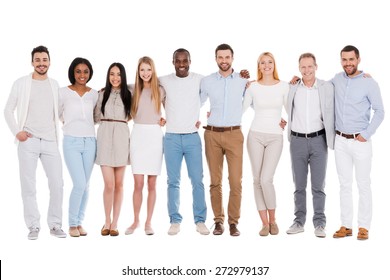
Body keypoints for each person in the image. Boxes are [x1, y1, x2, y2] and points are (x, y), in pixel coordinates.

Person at [4, 45, 66, 240]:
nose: (41, 63)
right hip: (28, 141)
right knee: (28, 185)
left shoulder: (55, 85)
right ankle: (33, 226)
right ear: (32, 62)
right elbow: (7, 110)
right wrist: (17, 132)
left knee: (57, 183)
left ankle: (55, 224)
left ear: (49, 61)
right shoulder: (21, 83)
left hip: (50, 141)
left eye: (44, 59)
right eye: (37, 60)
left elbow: (62, 113)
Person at [332, 45, 384, 240]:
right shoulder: (336, 79)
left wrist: (366, 133)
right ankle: (346, 225)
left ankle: (364, 226)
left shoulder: (369, 83)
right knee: (344, 184)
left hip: (361, 141)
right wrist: (297, 81)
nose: (348, 64)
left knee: (363, 184)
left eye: (351, 60)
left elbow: (380, 111)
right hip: (340, 141)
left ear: (358, 60)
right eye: (344, 60)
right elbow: (319, 89)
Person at [159, 48, 209, 236]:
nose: (181, 64)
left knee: (197, 180)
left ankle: (200, 220)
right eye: (178, 61)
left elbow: (219, 84)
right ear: (173, 62)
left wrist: (242, 77)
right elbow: (141, 83)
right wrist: (112, 87)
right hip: (171, 137)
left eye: (184, 60)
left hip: (192, 137)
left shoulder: (200, 79)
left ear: (190, 61)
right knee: (173, 181)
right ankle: (174, 220)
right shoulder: (164, 80)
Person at [285, 53, 335, 238]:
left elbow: (345, 81)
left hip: (318, 140)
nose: (307, 70)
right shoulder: (292, 87)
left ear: (316, 66)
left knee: (318, 186)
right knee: (299, 185)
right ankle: (299, 222)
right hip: (297, 140)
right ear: (299, 68)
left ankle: (320, 224)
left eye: (310, 66)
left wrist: (363, 75)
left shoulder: (326, 87)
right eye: (303, 67)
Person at [200, 43, 247, 236]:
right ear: (216, 59)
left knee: (235, 181)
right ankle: (218, 221)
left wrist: (279, 118)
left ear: (232, 58)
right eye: (220, 57)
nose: (224, 61)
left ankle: (233, 222)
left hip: (235, 134)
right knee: (215, 181)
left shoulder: (243, 80)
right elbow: (196, 102)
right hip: (212, 134)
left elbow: (258, 100)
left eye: (227, 57)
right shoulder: (208, 81)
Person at [242, 52, 289, 237]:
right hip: (255, 135)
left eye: (269, 62)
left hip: (275, 136)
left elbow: (291, 110)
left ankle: (273, 220)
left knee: (266, 179)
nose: (266, 65)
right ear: (259, 66)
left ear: (274, 64)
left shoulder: (284, 86)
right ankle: (263, 224)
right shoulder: (252, 86)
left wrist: (286, 122)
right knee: (256, 180)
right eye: (263, 63)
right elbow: (241, 108)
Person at [125, 56, 165, 236]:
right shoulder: (132, 89)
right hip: (138, 134)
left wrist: (165, 119)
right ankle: (135, 220)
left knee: (152, 184)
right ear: (138, 71)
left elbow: (173, 108)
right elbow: (114, 88)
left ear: (153, 70)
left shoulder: (160, 90)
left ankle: (149, 222)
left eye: (148, 69)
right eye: (142, 70)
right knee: (138, 183)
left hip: (155, 136)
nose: (145, 73)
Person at [59, 57, 98, 237]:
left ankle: (80, 222)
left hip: (90, 141)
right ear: (72, 73)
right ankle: (72, 223)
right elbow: (58, 113)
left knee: (86, 185)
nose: (82, 75)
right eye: (78, 71)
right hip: (71, 141)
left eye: (85, 71)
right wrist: (68, 124)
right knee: (79, 183)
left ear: (89, 73)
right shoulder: (63, 92)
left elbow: (96, 116)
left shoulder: (94, 93)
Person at [94, 62, 132, 237]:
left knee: (119, 184)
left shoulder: (129, 94)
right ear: (108, 76)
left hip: (122, 138)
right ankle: (106, 220)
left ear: (123, 77)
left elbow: (134, 115)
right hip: (104, 137)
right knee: (109, 184)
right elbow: (94, 116)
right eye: (112, 74)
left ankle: (115, 222)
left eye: (118, 74)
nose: (115, 78)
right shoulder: (101, 94)